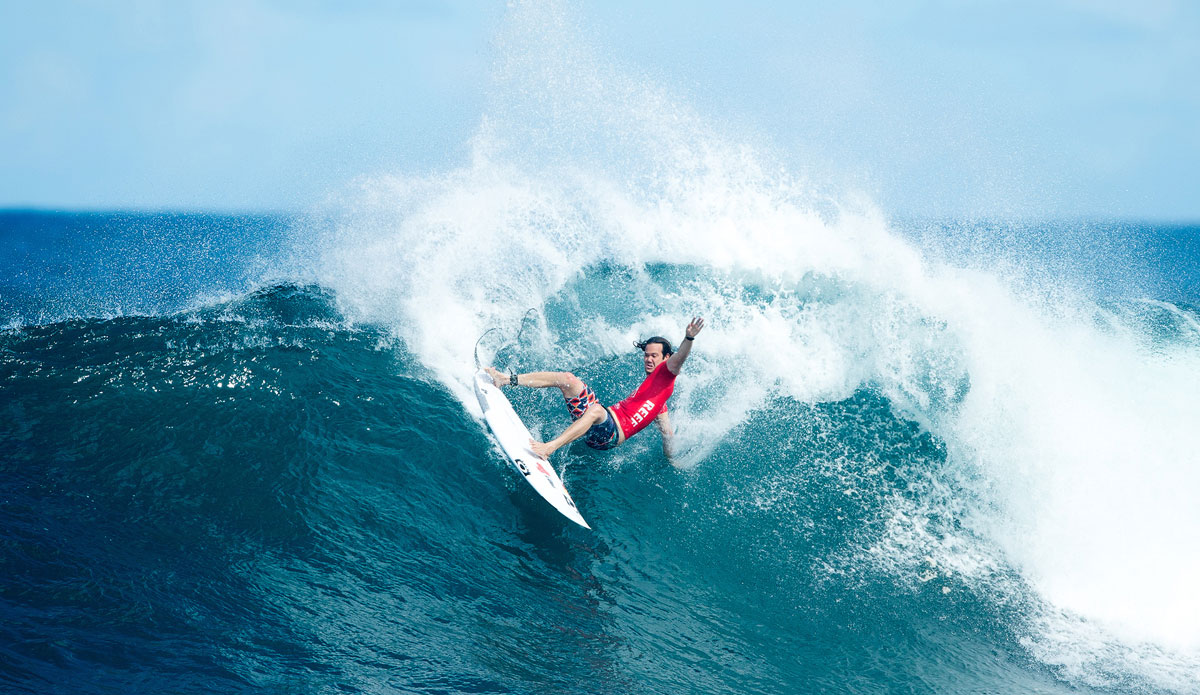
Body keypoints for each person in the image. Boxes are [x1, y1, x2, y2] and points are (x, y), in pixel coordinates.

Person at [485, 317, 705, 462]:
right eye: (646, 355)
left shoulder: (668, 372)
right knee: (568, 380)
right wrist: (671, 458)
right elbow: (667, 433)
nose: (648, 359)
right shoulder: (659, 401)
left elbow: (680, 357)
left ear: (666, 358)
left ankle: (548, 449)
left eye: (653, 356)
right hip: (602, 423)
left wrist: (689, 337)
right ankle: (505, 380)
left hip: (609, 435)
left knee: (597, 410)